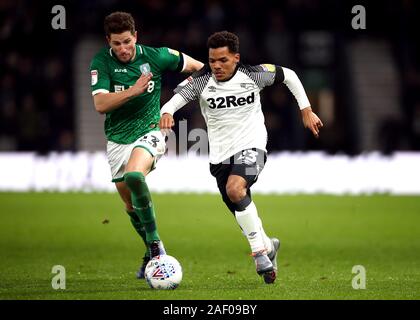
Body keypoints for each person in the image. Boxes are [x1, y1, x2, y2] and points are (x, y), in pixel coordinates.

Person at [159, 31, 323, 284]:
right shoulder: (201, 81)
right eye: (212, 60)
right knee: (239, 206)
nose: (216, 66)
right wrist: (167, 113)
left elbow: (289, 75)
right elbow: (172, 102)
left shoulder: (254, 74)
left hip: (252, 145)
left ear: (236, 58)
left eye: (223, 60)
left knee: (236, 189)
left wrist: (306, 110)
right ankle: (268, 245)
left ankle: (259, 254)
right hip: (219, 156)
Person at [89, 12, 204, 279]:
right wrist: (133, 91)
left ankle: (155, 245)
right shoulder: (101, 62)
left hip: (152, 130)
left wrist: (179, 97)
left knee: (134, 175)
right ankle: (150, 252)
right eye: (116, 43)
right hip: (117, 139)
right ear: (109, 41)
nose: (122, 48)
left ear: (135, 37)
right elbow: (100, 104)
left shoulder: (156, 56)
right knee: (131, 207)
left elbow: (200, 69)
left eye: (127, 41)